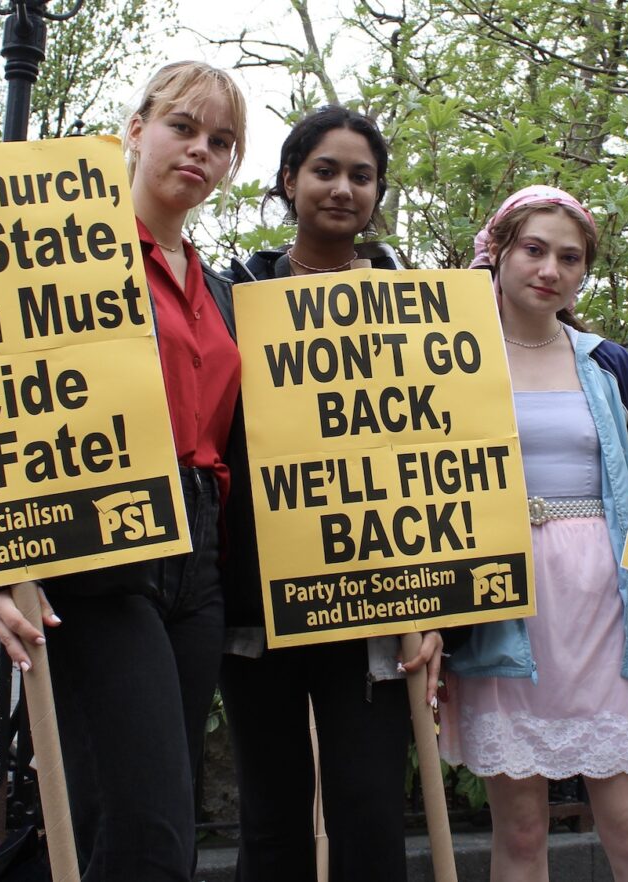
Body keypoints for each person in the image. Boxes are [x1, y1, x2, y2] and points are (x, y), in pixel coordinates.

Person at [0, 60, 247, 882]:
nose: (200, 150)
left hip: (197, 564)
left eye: (222, 141)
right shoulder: (62, 258)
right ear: (133, 131)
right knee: (150, 832)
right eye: (182, 127)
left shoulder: (224, 290)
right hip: (99, 553)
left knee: (123, 824)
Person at [440, 185, 628, 881]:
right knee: (520, 834)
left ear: (584, 272)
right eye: (534, 249)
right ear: (500, 253)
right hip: (505, 611)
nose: (550, 268)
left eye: (569, 257)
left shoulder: (612, 365)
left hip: (605, 607)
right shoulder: (454, 357)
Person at [221, 105, 441, 882]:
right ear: (288, 180)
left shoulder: (419, 309)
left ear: (378, 192)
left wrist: (433, 606)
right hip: (261, 610)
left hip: (378, 608)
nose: (343, 188)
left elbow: (444, 451)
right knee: (272, 820)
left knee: (371, 813)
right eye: (325, 170)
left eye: (361, 175)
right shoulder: (232, 297)